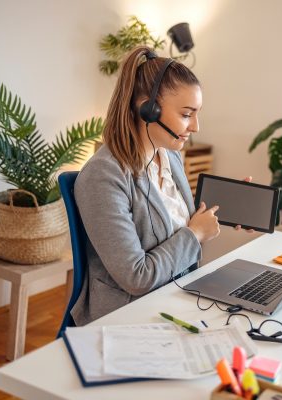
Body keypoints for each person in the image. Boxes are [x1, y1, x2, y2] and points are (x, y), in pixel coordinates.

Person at [71, 46, 222, 326]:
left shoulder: (169, 155)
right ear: (147, 110)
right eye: (187, 114)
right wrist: (195, 234)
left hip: (177, 301)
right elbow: (137, 278)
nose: (196, 127)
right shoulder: (104, 176)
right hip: (129, 317)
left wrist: (227, 212)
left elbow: (178, 222)